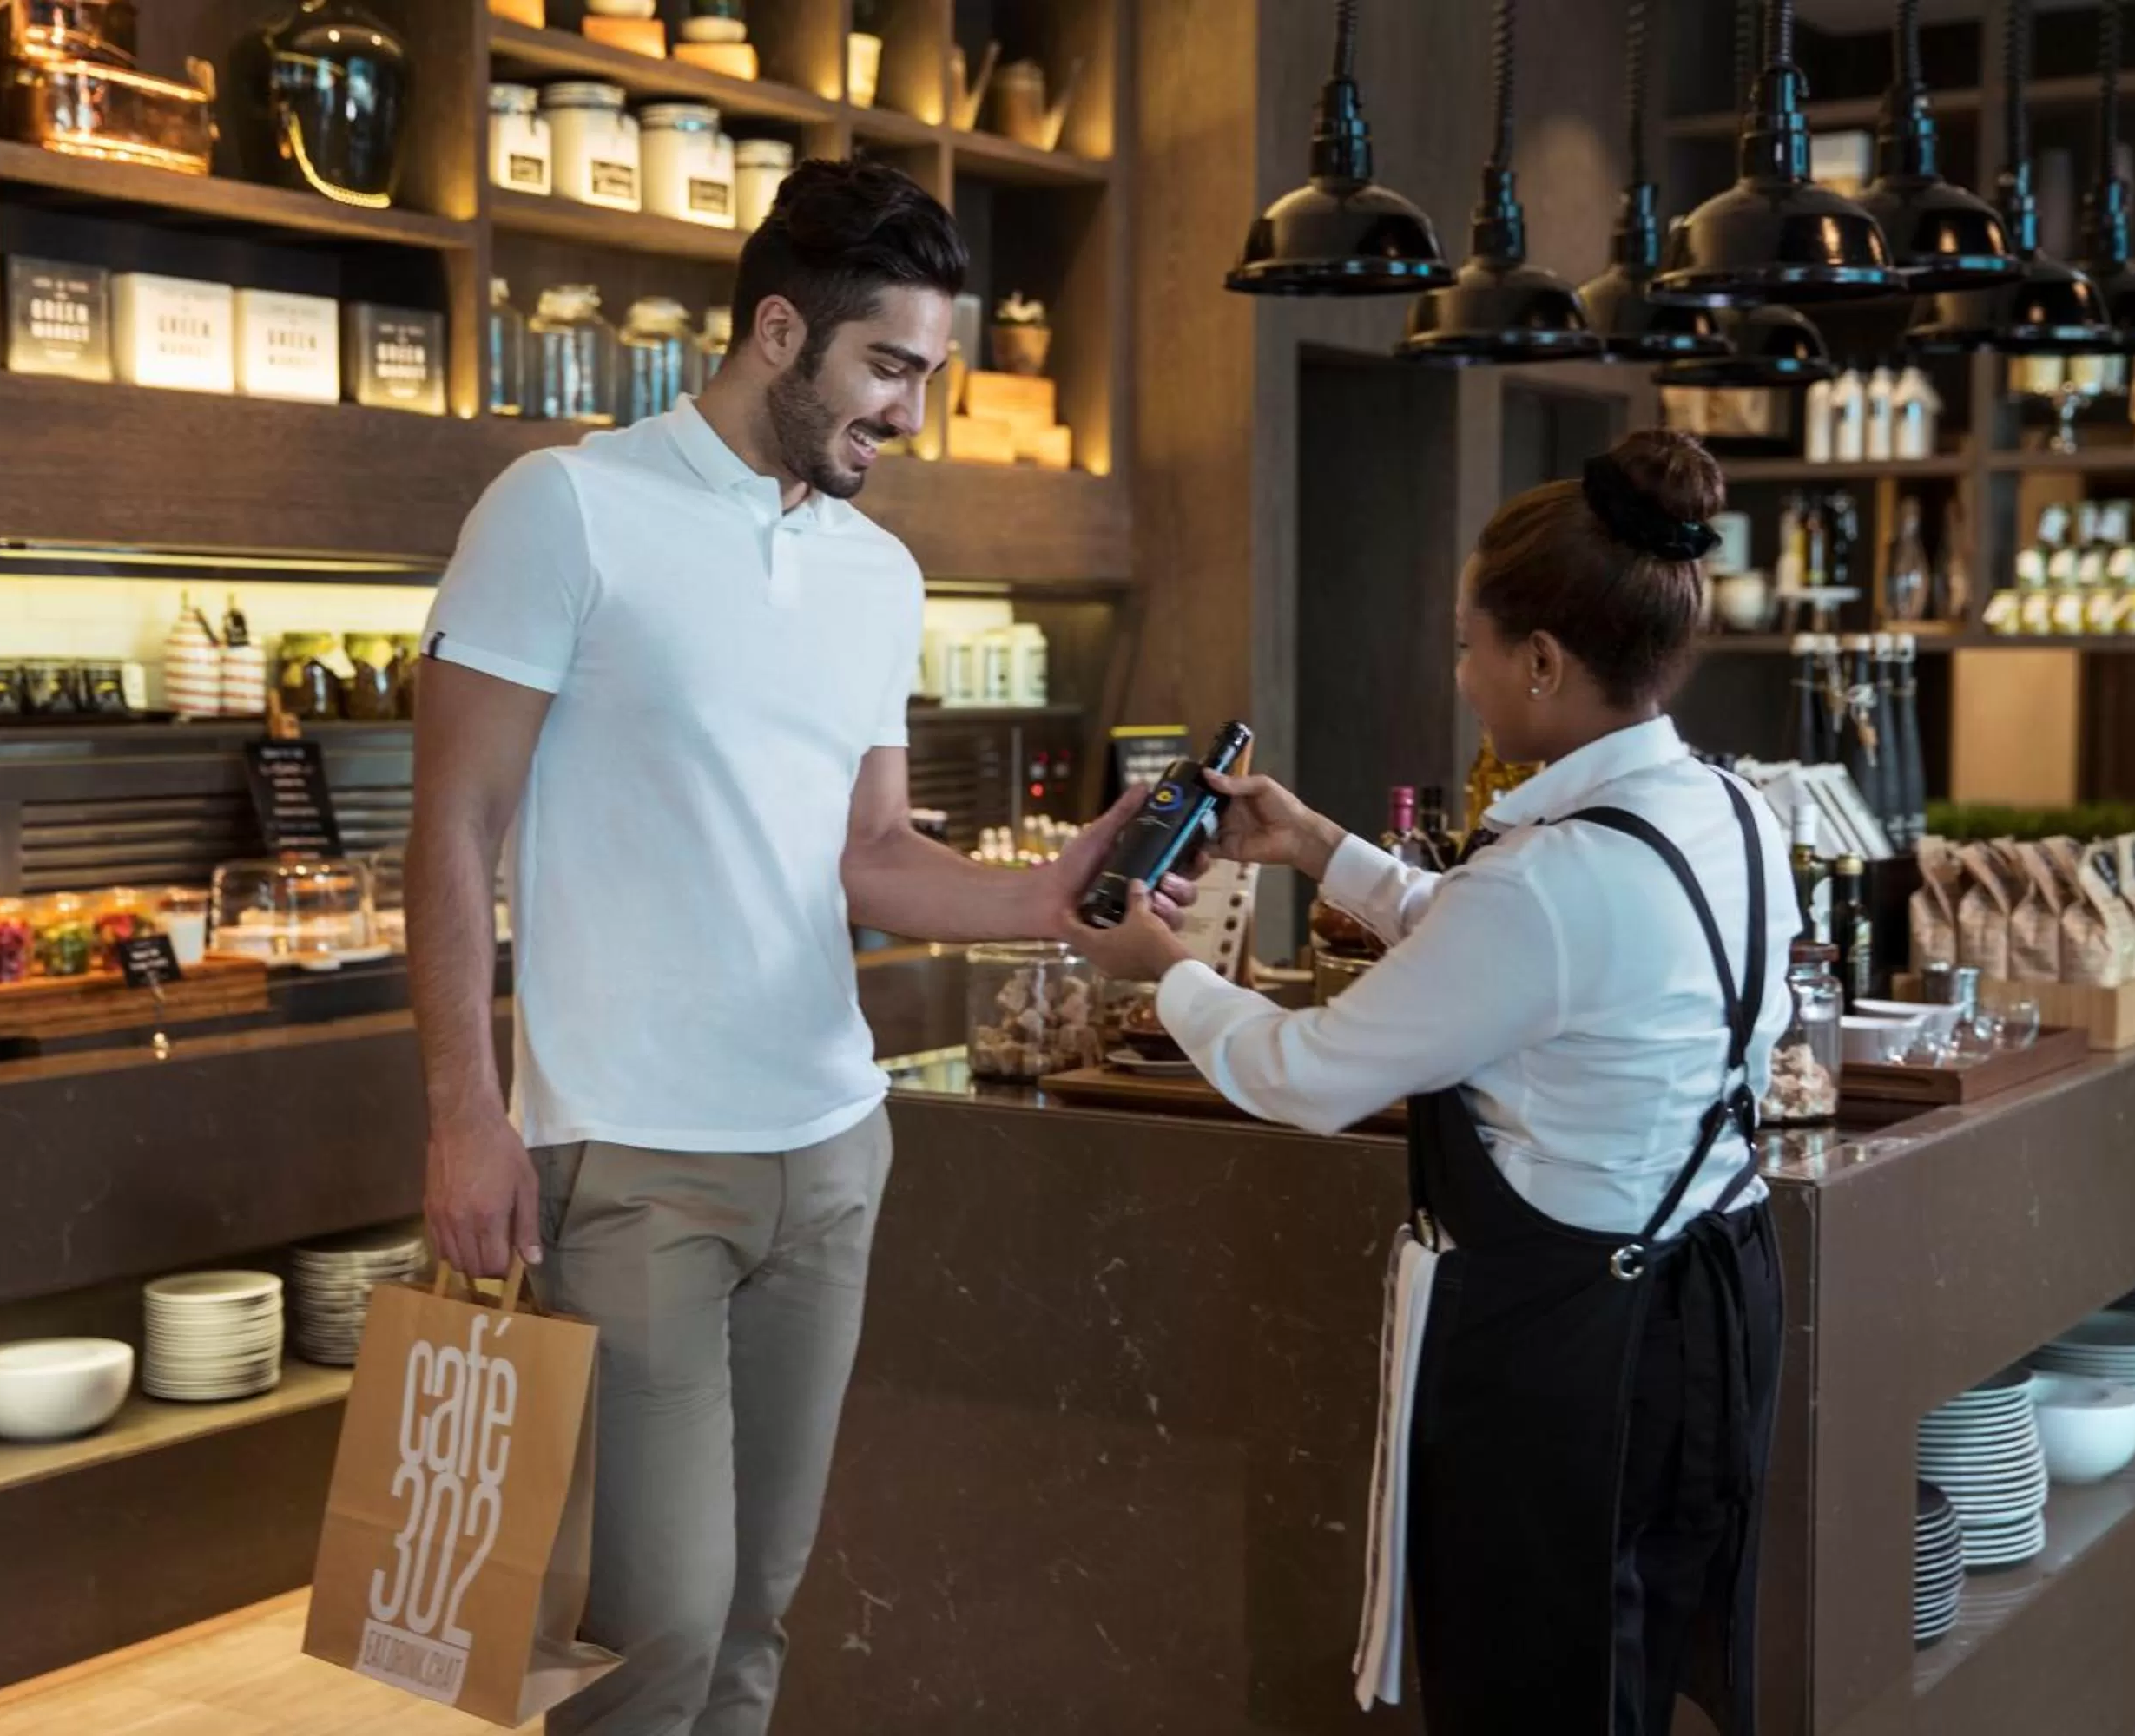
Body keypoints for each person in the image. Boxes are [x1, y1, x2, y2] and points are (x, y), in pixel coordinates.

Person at [405, 160, 1181, 1736]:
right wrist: (463, 1118)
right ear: (779, 331)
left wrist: (1053, 898)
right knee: (652, 1634)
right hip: (627, 1158)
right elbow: (450, 830)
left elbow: (871, 855)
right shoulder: (563, 507)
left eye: (929, 375)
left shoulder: (875, 572)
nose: (911, 413)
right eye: (889, 367)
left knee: (759, 1610)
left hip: (830, 1150)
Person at [1071, 431, 1797, 1736]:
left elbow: (1303, 1072)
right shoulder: (1728, 810)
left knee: (1532, 1686)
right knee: (1627, 1672)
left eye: (1470, 646)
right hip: (1706, 1310)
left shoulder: (1551, 876)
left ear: (1542, 660)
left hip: (1568, 1348)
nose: (1460, 676)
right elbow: (1510, 956)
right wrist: (1315, 846)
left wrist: (1159, 965)